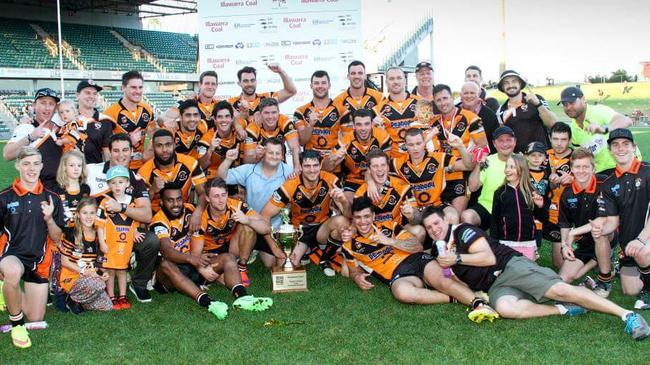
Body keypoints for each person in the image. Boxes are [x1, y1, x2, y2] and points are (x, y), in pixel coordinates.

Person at [424, 206, 650, 341]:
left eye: (436, 223)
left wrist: (458, 258)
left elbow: (488, 258)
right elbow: (453, 277)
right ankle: (563, 309)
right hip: (495, 286)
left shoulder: (463, 231)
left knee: (559, 289)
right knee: (506, 309)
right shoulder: (439, 248)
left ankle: (628, 315)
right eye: (429, 228)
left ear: (446, 219)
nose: (434, 229)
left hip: (510, 267)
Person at [342, 197, 499, 323]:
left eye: (366, 216)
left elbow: (416, 246)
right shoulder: (349, 245)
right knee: (402, 293)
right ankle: (454, 296)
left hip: (416, 259)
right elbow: (353, 269)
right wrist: (356, 277)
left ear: (373, 216)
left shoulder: (389, 226)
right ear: (353, 219)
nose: (363, 222)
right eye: (358, 217)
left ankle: (478, 304)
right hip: (398, 275)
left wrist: (390, 241)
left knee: (443, 281)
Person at [151, 185, 273, 319]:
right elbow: (167, 251)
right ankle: (208, 302)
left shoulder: (190, 209)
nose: (176, 204)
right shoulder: (158, 221)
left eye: (179, 199)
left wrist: (197, 212)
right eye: (170, 200)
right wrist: (192, 259)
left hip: (194, 264)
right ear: (161, 202)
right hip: (172, 274)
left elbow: (204, 197)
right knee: (166, 265)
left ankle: (243, 297)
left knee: (228, 258)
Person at [0, 147, 64, 348]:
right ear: (18, 165)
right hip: (11, 255)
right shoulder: (4, 197)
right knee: (12, 271)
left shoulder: (52, 198)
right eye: (26, 163)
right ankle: (17, 324)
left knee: (35, 316)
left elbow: (58, 237)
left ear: (42, 166)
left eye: (36, 163)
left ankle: (6, 291)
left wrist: (49, 219)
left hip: (39, 262)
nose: (31, 168)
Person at [85, 133, 158, 303]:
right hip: (97, 231)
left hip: (125, 232)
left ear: (132, 151)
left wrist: (122, 208)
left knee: (152, 241)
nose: (121, 155)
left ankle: (139, 283)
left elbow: (146, 215)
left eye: (125, 150)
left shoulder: (136, 179)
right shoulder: (91, 170)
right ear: (109, 152)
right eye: (116, 150)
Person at [261, 150, 350, 276]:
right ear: (301, 167)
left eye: (315, 165)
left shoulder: (331, 180)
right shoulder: (291, 185)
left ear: (321, 165)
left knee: (343, 221)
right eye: (307, 166)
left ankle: (325, 257)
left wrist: (344, 201)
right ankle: (309, 250)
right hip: (299, 231)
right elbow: (265, 215)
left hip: (322, 228)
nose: (312, 170)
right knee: (284, 265)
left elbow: (348, 215)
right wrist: (274, 247)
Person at [597, 128, 650, 309]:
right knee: (630, 290)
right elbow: (613, 221)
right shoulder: (609, 183)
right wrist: (599, 230)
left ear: (634, 147)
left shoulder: (648, 171)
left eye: (626, 144)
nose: (621, 149)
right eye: (616, 145)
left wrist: (642, 239)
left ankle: (649, 292)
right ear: (610, 150)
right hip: (630, 246)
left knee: (643, 253)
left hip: (645, 238)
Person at [217, 137, 293, 263]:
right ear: (263, 153)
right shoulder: (249, 169)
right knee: (234, 255)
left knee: (272, 263)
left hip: (274, 229)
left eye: (278, 153)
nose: (274, 156)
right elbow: (222, 177)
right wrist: (228, 160)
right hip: (251, 223)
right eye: (270, 152)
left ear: (283, 155)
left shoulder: (289, 172)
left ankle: (257, 248)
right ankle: (249, 249)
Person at [558, 149, 614, 295]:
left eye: (586, 167)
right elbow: (564, 223)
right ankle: (602, 259)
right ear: (571, 169)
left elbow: (604, 219)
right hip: (584, 241)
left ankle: (605, 280)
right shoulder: (567, 193)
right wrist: (565, 244)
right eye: (577, 167)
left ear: (593, 168)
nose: (581, 171)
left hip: (607, 235)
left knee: (598, 231)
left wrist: (574, 232)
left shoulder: (604, 184)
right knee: (566, 278)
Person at [201, 178, 276, 286]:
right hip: (212, 253)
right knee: (223, 280)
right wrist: (201, 267)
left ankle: (241, 268)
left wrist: (247, 220)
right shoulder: (200, 215)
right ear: (207, 198)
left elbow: (267, 228)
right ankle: (227, 270)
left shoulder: (237, 206)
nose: (221, 200)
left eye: (223, 195)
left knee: (248, 226)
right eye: (216, 196)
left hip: (232, 248)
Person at [387, 128, 473, 222]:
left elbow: (468, 166)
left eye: (418, 143)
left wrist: (460, 146)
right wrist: (370, 181)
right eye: (411, 145)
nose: (415, 148)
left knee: (452, 216)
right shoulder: (398, 163)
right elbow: (376, 168)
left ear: (424, 142)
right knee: (418, 227)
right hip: (416, 209)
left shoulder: (439, 158)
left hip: (437, 205)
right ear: (406, 145)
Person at [430, 84, 487, 214]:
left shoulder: (471, 118)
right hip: (440, 174)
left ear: (452, 97)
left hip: (463, 174)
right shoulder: (433, 122)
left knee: (456, 217)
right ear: (435, 102)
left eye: (445, 98)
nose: (443, 103)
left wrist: (473, 167)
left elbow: (483, 147)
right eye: (439, 100)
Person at [97, 165, 145, 310]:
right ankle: (111, 296)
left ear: (127, 183)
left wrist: (135, 232)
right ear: (108, 184)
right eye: (113, 183)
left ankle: (122, 296)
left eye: (120, 182)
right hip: (110, 243)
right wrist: (101, 242)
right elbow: (100, 224)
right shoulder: (105, 202)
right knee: (110, 271)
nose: (117, 186)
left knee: (122, 270)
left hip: (125, 244)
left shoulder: (132, 202)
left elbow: (135, 220)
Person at [559, 86, 637, 173]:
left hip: (626, 166)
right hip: (601, 173)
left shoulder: (599, 111)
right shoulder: (573, 128)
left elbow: (626, 121)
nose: (568, 107)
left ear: (583, 99)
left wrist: (604, 129)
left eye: (572, 102)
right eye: (565, 104)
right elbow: (583, 156)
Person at [323, 108, 392, 202]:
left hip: (377, 178)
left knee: (380, 202)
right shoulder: (345, 141)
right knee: (349, 205)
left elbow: (384, 165)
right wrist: (334, 158)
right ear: (353, 126)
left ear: (372, 124)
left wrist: (370, 182)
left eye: (366, 124)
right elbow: (326, 168)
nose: (363, 128)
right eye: (359, 124)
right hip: (353, 181)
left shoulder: (382, 136)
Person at [50, 150, 91, 310]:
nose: (75, 169)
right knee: (59, 264)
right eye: (71, 165)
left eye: (79, 166)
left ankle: (76, 293)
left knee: (78, 264)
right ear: (64, 167)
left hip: (80, 235)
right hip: (61, 236)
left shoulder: (85, 189)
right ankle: (58, 291)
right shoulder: (57, 190)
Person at [57, 198, 112, 313]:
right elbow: (64, 261)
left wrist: (103, 273)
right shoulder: (71, 233)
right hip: (72, 277)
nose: (89, 217)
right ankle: (69, 298)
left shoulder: (99, 234)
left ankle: (81, 301)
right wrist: (83, 271)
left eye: (92, 213)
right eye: (85, 213)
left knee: (107, 306)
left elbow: (100, 260)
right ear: (77, 214)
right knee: (98, 285)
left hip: (90, 276)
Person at [3, 88, 63, 189]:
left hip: (62, 190)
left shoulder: (62, 129)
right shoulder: (27, 128)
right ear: (34, 105)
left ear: (55, 108)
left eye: (51, 104)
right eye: (43, 103)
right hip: (39, 191)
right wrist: (31, 137)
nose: (47, 108)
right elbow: (7, 154)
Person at [490, 154, 547, 261]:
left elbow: (543, 218)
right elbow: (494, 220)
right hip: (506, 243)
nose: (507, 170)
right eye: (506, 166)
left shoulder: (532, 192)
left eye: (512, 167)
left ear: (522, 169)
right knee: (508, 273)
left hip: (527, 243)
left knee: (528, 273)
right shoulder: (500, 193)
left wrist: (540, 206)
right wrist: (494, 244)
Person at [138, 129, 207, 213]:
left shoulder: (191, 163)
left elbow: (203, 193)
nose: (164, 150)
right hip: (156, 215)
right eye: (159, 146)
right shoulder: (143, 172)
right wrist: (152, 190)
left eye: (168, 145)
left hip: (183, 212)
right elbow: (140, 206)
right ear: (153, 147)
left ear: (174, 145)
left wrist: (197, 214)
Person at [463, 126, 516, 229]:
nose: (505, 144)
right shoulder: (487, 161)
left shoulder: (522, 161)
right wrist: (479, 165)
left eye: (509, 140)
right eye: (500, 141)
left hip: (512, 208)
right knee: (467, 216)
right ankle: (474, 243)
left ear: (515, 141)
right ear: (494, 144)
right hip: (487, 206)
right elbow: (473, 187)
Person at [103, 70, 156, 170]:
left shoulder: (147, 109)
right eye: (133, 87)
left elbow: (153, 134)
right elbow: (106, 147)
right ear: (123, 88)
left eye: (140, 87)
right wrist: (128, 141)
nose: (138, 91)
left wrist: (149, 150)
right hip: (120, 168)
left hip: (142, 166)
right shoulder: (110, 113)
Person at [495, 70, 557, 153]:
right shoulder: (501, 111)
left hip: (541, 157)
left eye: (514, 81)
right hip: (519, 161)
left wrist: (538, 104)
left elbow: (553, 124)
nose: (510, 85)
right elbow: (503, 139)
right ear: (502, 87)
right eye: (506, 83)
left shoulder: (536, 99)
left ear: (520, 84)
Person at [355, 149, 417, 229]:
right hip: (373, 233)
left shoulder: (401, 186)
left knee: (419, 231)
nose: (380, 169)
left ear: (388, 167)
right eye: (375, 166)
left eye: (383, 165)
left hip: (397, 231)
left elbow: (416, 219)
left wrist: (411, 216)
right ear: (369, 170)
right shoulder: (361, 192)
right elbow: (356, 220)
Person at [242, 97, 301, 172]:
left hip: (280, 165)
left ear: (278, 112)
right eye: (266, 113)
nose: (270, 117)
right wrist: (257, 156)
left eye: (274, 112)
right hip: (259, 168)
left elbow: (295, 147)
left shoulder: (284, 120)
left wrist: (296, 167)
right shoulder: (252, 127)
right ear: (260, 114)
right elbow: (247, 161)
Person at [295, 70, 345, 156]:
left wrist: (332, 158)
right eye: (316, 83)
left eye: (323, 83)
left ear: (329, 85)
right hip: (311, 164)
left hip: (334, 162)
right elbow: (302, 142)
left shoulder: (342, 110)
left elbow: (347, 139)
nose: (320, 86)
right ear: (311, 86)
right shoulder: (300, 111)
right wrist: (310, 125)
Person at [373, 67, 419, 158]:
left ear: (405, 80)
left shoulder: (420, 103)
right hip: (394, 159)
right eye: (391, 79)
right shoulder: (378, 110)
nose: (396, 82)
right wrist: (375, 126)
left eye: (399, 78)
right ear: (386, 82)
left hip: (418, 156)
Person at [228, 64, 296, 124]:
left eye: (252, 80)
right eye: (246, 81)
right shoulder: (231, 103)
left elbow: (290, 91)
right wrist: (243, 113)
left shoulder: (267, 97)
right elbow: (234, 125)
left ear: (256, 81)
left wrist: (281, 71)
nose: (250, 84)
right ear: (239, 83)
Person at [546, 122, 574, 267]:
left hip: (573, 208)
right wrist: (550, 184)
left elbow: (591, 182)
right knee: (558, 263)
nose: (559, 143)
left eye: (563, 139)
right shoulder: (543, 156)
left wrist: (573, 180)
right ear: (550, 138)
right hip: (550, 209)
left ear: (569, 140)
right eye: (555, 139)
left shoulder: (577, 158)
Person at [159, 71, 225, 131]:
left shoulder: (220, 105)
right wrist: (169, 121)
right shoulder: (186, 102)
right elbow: (161, 119)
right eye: (207, 83)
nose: (210, 87)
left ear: (216, 86)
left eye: (213, 84)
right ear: (200, 85)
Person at [333, 60, 384, 133]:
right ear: (348, 76)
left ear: (365, 76)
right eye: (353, 73)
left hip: (374, 143)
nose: (356, 76)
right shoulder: (338, 101)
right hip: (348, 143)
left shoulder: (379, 98)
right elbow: (334, 131)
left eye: (360, 73)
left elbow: (387, 126)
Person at [197, 101, 244, 180]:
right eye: (220, 117)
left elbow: (253, 118)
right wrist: (210, 149)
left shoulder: (239, 129)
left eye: (227, 116)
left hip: (236, 174)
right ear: (214, 120)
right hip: (214, 177)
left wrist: (240, 129)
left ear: (232, 118)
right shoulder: (207, 139)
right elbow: (201, 166)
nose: (224, 120)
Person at [75, 79, 113, 164]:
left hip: (94, 171)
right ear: (77, 95)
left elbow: (107, 152)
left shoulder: (105, 121)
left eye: (95, 93)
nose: (92, 96)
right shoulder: (68, 119)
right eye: (87, 93)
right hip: (70, 172)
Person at [458, 81, 499, 153]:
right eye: (466, 93)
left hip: (482, 158)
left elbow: (495, 141)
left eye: (472, 93)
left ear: (479, 94)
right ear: (460, 95)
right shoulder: (453, 112)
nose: (469, 96)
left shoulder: (490, 115)